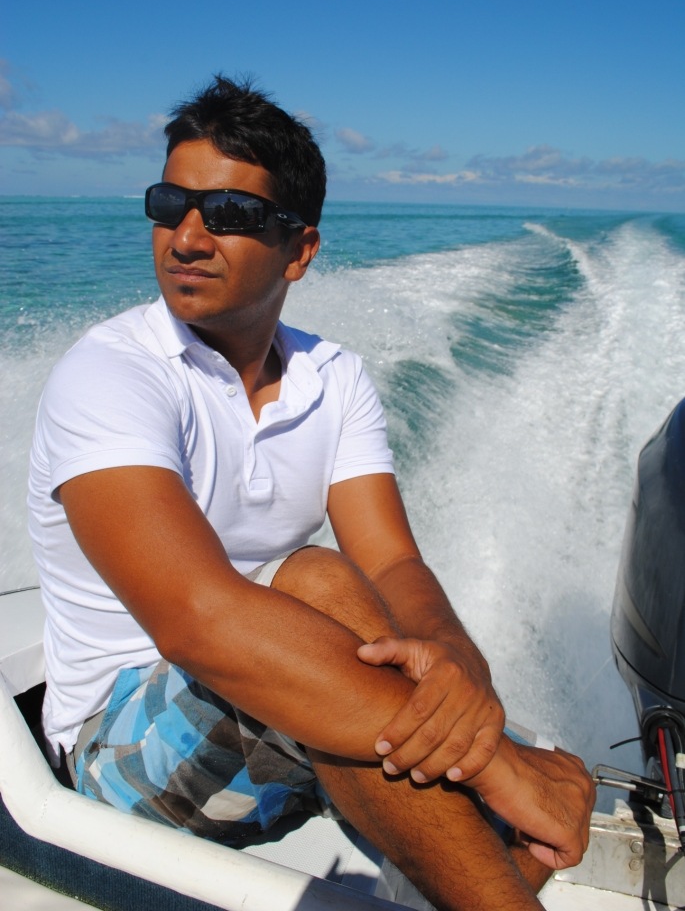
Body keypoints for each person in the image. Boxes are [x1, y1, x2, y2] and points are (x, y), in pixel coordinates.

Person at [28, 76, 594, 911]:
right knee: (319, 582)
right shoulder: (111, 374)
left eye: (229, 213)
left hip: (285, 710)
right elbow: (197, 621)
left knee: (546, 777)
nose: (187, 236)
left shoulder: (333, 376)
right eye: (169, 204)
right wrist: (496, 761)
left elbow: (392, 562)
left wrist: (461, 678)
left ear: (298, 250)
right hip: (118, 752)